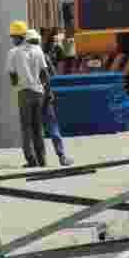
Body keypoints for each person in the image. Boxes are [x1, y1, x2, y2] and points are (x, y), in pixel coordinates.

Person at [6, 23, 50, 167]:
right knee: (38, 127)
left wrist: (17, 84)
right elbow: (45, 74)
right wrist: (48, 92)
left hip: (24, 92)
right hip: (39, 92)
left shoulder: (13, 52)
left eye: (13, 37)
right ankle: (42, 159)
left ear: (19, 37)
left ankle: (31, 160)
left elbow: (12, 76)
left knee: (26, 128)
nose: (12, 40)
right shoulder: (38, 50)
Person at [42, 35, 74, 167]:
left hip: (28, 95)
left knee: (35, 130)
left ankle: (38, 160)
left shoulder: (16, 54)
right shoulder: (43, 56)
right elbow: (52, 76)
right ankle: (61, 156)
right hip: (44, 95)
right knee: (52, 125)